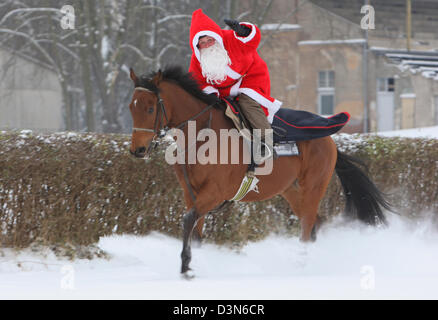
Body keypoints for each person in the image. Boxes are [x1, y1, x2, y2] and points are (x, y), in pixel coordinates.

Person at [188, 9, 282, 160]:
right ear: (197, 46)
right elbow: (197, 81)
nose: (207, 45)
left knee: (247, 102)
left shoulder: (231, 39)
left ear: (216, 37)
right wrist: (210, 94)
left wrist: (244, 31)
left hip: (250, 77)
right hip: (222, 91)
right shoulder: (197, 60)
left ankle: (266, 142)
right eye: (203, 43)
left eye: (210, 40)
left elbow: (251, 41)